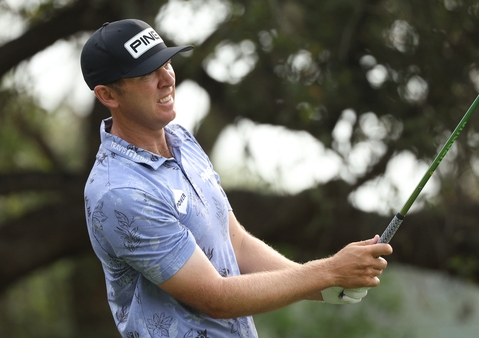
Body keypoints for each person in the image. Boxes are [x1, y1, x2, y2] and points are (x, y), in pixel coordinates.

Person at [80, 19, 392, 338]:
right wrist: (326, 272)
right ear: (108, 95)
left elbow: (236, 242)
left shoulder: (181, 140)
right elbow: (215, 297)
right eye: (147, 73)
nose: (166, 79)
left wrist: (321, 284)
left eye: (167, 63)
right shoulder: (119, 193)